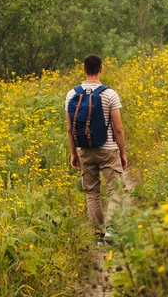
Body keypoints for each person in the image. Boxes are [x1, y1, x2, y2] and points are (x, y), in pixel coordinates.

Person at [65, 54, 128, 244]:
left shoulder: (71, 95)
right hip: (108, 149)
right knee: (115, 189)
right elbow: (118, 128)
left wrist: (73, 153)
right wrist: (122, 152)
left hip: (85, 149)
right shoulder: (109, 94)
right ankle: (111, 230)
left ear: (84, 69)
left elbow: (69, 128)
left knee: (92, 192)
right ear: (101, 69)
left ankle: (99, 235)